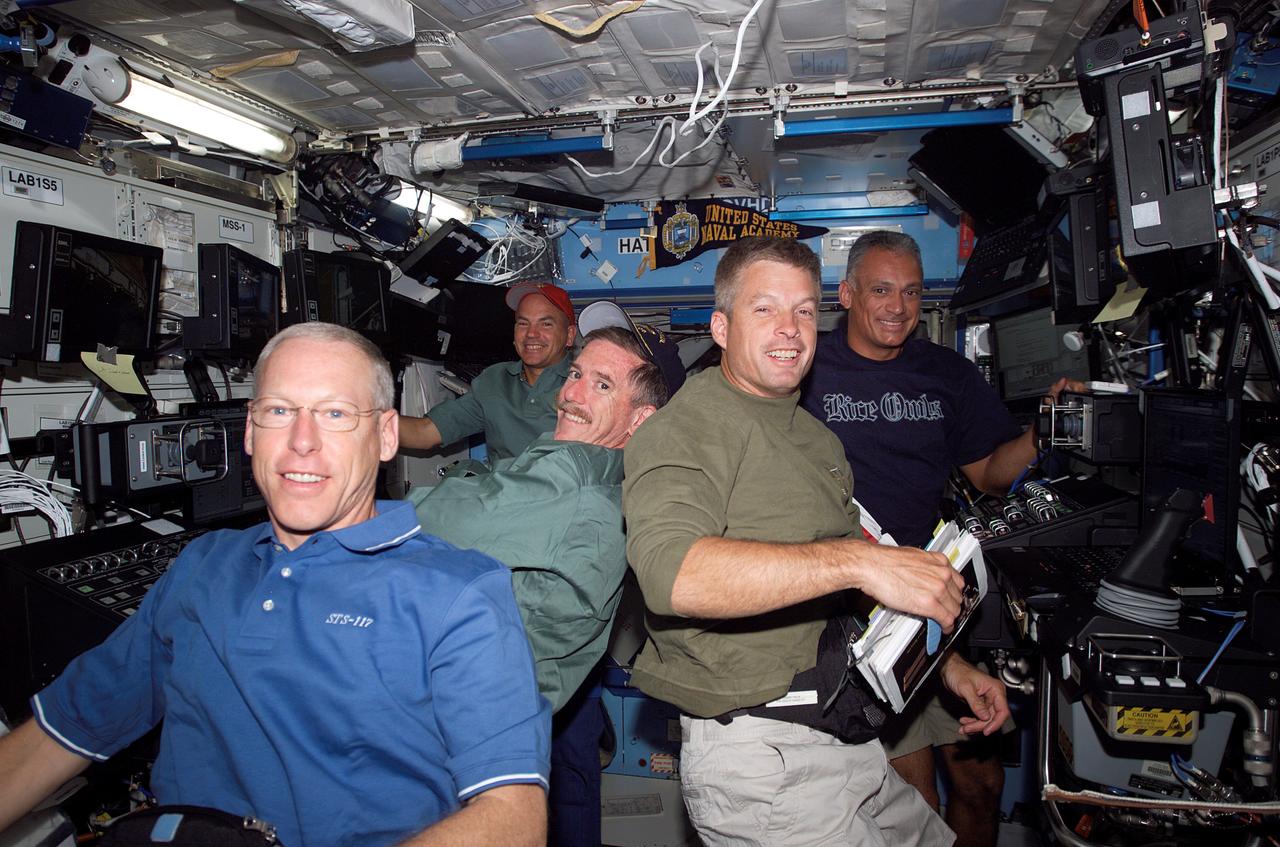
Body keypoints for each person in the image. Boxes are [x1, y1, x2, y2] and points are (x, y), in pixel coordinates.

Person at [0, 323, 550, 847]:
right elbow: (63, 732)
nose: (301, 442)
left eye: (335, 413)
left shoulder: (459, 593)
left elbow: (513, 820)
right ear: (249, 430)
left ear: (386, 436)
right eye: (279, 411)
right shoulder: (202, 567)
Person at [622, 236, 1010, 846]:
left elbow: (848, 585)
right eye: (764, 309)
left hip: (838, 729)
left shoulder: (812, 437)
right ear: (721, 327)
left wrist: (948, 667)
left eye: (804, 310)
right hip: (764, 761)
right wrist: (857, 562)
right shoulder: (688, 429)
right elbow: (674, 576)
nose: (790, 329)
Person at [800, 230, 1079, 847]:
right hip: (855, 611)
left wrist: (1039, 434)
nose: (896, 306)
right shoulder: (806, 371)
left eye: (910, 292)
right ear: (845, 294)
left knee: (980, 786)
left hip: (941, 600)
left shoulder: (946, 374)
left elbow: (988, 473)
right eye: (880, 289)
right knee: (915, 802)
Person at [411, 311, 683, 847]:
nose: (573, 392)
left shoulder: (574, 487)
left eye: (602, 384)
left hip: (456, 726)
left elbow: (432, 520)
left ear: (639, 422)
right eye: (577, 373)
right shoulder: (576, 467)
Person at [399, 280, 577, 460]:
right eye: (523, 323)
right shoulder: (495, 381)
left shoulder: (587, 384)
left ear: (569, 336)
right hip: (502, 487)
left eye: (546, 324)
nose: (531, 333)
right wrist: (372, 420)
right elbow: (425, 432)